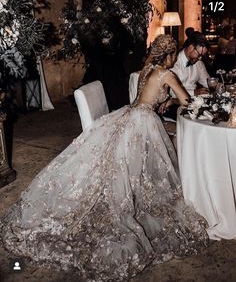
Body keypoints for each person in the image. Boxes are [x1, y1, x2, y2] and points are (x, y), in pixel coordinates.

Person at [0, 35, 208, 282]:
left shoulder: (146, 70)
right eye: (173, 55)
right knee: (171, 149)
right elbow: (189, 101)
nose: (174, 59)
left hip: (128, 116)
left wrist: (166, 100)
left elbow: (141, 100)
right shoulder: (166, 74)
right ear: (171, 55)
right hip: (144, 123)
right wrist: (179, 99)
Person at [159, 32, 210, 120]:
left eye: (203, 56)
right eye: (199, 54)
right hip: (174, 103)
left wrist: (219, 86)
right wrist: (194, 92)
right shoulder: (172, 62)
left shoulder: (199, 63)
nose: (200, 58)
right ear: (191, 47)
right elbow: (172, 92)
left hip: (195, 103)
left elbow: (208, 82)